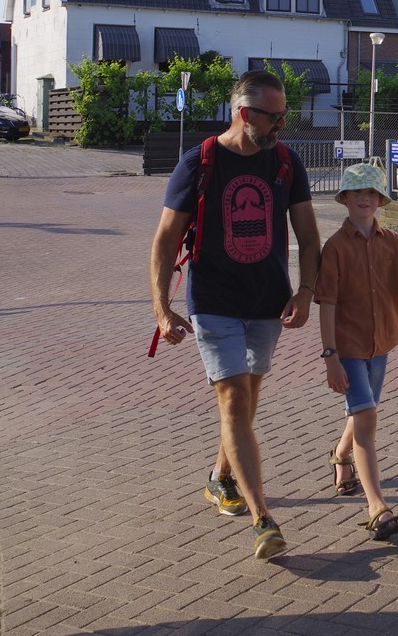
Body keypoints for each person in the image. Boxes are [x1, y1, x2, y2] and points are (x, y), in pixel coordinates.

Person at [150, 70, 321, 562]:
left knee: (245, 401)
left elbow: (309, 238)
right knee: (233, 400)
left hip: (269, 302)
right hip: (214, 301)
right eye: (273, 117)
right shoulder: (199, 163)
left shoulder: (286, 162)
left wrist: (305, 292)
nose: (281, 126)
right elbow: (164, 240)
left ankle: (220, 476)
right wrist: (162, 308)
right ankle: (263, 519)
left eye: (285, 116)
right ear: (244, 114)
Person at [316, 162, 398, 541]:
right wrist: (330, 356)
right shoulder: (335, 248)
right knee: (366, 419)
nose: (364, 199)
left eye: (371, 193)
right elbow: (327, 304)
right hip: (347, 348)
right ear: (345, 199)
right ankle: (377, 508)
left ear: (380, 200)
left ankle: (340, 455)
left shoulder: (393, 242)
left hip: (381, 344)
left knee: (363, 412)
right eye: (357, 193)